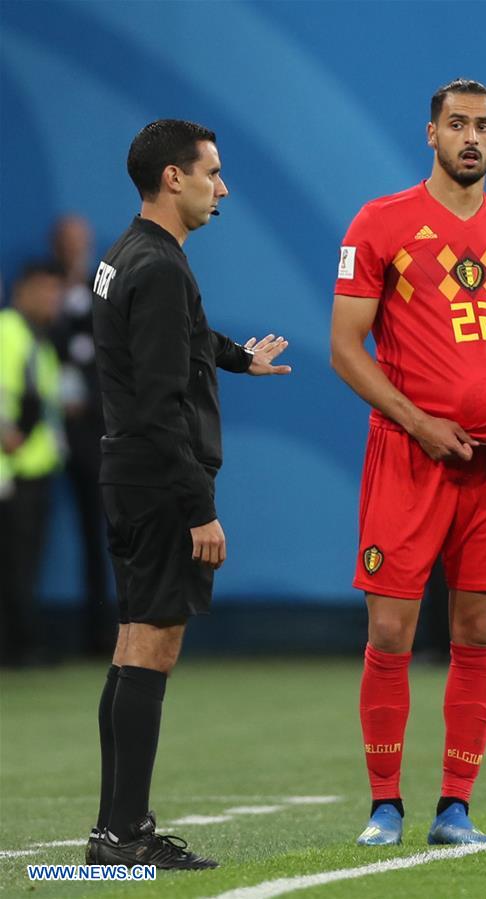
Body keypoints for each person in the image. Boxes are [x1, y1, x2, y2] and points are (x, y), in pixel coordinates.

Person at [331, 79, 486, 846]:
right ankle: (383, 806)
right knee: (391, 628)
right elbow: (343, 348)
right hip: (406, 457)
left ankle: (454, 807)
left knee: (479, 625)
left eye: (483, 125)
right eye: (455, 123)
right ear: (429, 134)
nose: (470, 137)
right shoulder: (380, 222)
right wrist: (417, 421)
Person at [89, 119, 291, 870]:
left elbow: (175, 338)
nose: (223, 187)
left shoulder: (128, 253)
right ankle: (123, 838)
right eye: (212, 172)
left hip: (128, 475)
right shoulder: (164, 266)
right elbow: (160, 401)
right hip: (158, 483)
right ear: (173, 177)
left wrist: (237, 358)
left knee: (131, 646)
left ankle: (116, 829)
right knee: (151, 646)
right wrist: (199, 505)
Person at [50, 214, 113, 654]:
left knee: (108, 532)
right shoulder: (41, 286)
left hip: (96, 429)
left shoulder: (103, 284)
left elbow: (113, 343)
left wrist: (88, 395)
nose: (74, 246)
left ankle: (106, 635)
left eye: (80, 239)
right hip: (49, 429)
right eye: (66, 240)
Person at [0, 263, 64, 666]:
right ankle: (19, 647)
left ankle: (20, 643)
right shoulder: (9, 331)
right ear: (24, 290)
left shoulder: (36, 336)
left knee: (23, 562)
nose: (52, 301)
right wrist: (10, 434)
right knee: (15, 564)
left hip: (34, 466)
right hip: (14, 468)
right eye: (46, 291)